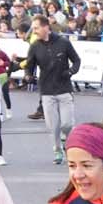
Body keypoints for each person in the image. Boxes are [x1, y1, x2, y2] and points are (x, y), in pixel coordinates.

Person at [22, 15, 83, 165]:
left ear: (46, 27)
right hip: (47, 91)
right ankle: (57, 150)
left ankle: (65, 139)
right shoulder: (35, 46)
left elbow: (77, 60)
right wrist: (28, 75)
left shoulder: (63, 42)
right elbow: (29, 65)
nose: (34, 31)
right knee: (53, 126)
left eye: (36, 28)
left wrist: (70, 72)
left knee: (67, 124)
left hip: (64, 88)